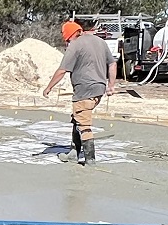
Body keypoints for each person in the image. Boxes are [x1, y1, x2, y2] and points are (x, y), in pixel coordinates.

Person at [42, 20, 116, 165]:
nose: (67, 43)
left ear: (70, 35)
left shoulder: (75, 45)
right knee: (78, 118)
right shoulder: (100, 42)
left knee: (84, 125)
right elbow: (112, 64)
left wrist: (48, 87)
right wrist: (111, 86)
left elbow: (62, 70)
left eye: (67, 40)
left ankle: (90, 160)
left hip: (84, 90)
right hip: (99, 89)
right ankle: (73, 154)